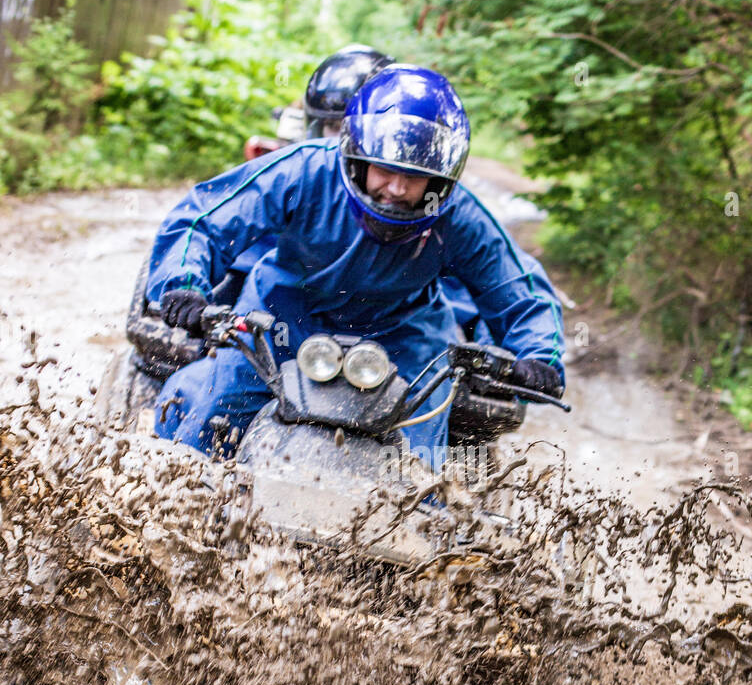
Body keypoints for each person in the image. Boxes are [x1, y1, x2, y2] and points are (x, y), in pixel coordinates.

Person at [147, 64, 565, 466]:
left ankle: (419, 528)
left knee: (420, 456)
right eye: (386, 170)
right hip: (278, 319)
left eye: (415, 177)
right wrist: (185, 284)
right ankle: (172, 507)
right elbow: (204, 220)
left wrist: (539, 355)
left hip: (405, 338)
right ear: (358, 156)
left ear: (440, 178)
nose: (397, 189)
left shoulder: (460, 216)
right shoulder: (303, 170)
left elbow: (516, 286)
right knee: (214, 415)